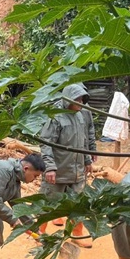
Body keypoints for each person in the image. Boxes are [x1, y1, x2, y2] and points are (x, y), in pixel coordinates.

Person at [37, 84, 93, 247]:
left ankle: (77, 236)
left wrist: (87, 160)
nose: (81, 102)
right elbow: (46, 143)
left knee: (78, 205)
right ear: (68, 100)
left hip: (77, 171)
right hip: (58, 171)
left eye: (83, 99)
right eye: (78, 99)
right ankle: (39, 235)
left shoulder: (80, 116)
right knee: (47, 204)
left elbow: (83, 141)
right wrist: (50, 167)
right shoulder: (56, 117)